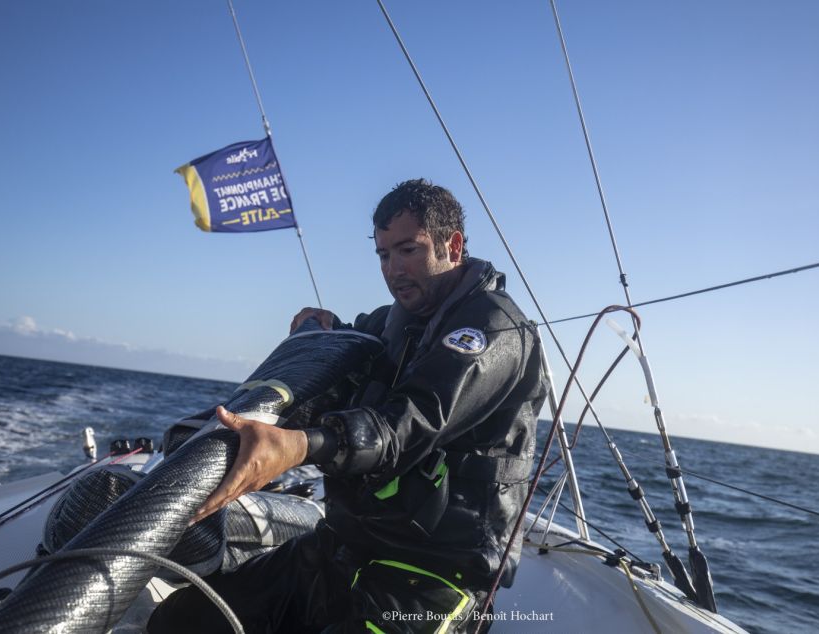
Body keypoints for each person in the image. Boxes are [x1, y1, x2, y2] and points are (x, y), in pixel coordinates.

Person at [148, 179, 547, 633]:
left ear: (452, 245)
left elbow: (409, 422)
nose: (393, 268)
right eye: (383, 254)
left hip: (433, 578)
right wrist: (324, 331)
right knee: (178, 623)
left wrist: (298, 446)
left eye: (408, 250)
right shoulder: (390, 321)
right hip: (343, 546)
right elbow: (350, 365)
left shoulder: (494, 330)